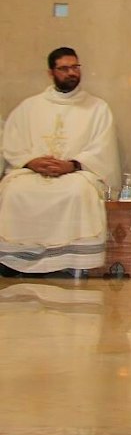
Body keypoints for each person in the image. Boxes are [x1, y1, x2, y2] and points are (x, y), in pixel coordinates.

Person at [0, 48, 120, 275]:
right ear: (51, 72)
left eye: (75, 67)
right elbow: (12, 144)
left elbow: (103, 149)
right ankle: (14, 262)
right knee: (15, 190)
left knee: (79, 191)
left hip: (75, 174)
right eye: (64, 68)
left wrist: (73, 164)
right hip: (32, 173)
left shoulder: (97, 108)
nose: (72, 73)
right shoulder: (29, 107)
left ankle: (70, 263)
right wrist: (31, 161)